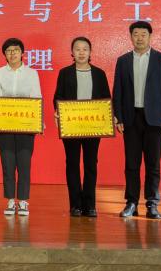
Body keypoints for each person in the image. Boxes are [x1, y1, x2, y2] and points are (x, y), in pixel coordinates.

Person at [112, 21, 161, 219]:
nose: (139, 38)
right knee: (131, 164)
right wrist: (118, 116)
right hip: (131, 118)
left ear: (150, 37)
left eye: (143, 34)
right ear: (130, 37)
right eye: (136, 34)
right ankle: (131, 203)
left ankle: (152, 203)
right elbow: (118, 91)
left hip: (155, 119)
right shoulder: (123, 61)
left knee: (153, 164)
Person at [53, 36, 111, 217]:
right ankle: (75, 205)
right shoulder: (65, 73)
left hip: (93, 126)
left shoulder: (99, 74)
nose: (81, 52)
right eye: (77, 49)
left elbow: (106, 99)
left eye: (85, 49)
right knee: (72, 164)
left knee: (90, 164)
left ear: (90, 52)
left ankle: (90, 205)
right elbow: (58, 97)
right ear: (72, 52)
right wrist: (58, 112)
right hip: (71, 126)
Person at [0, 37, 42, 217]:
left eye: (16, 50)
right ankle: (11, 200)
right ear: (4, 54)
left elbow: (36, 97)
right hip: (4, 125)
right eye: (9, 51)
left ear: (22, 53)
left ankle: (24, 201)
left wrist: (37, 121)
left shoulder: (32, 73)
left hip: (26, 125)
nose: (12, 54)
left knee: (24, 164)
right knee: (7, 164)